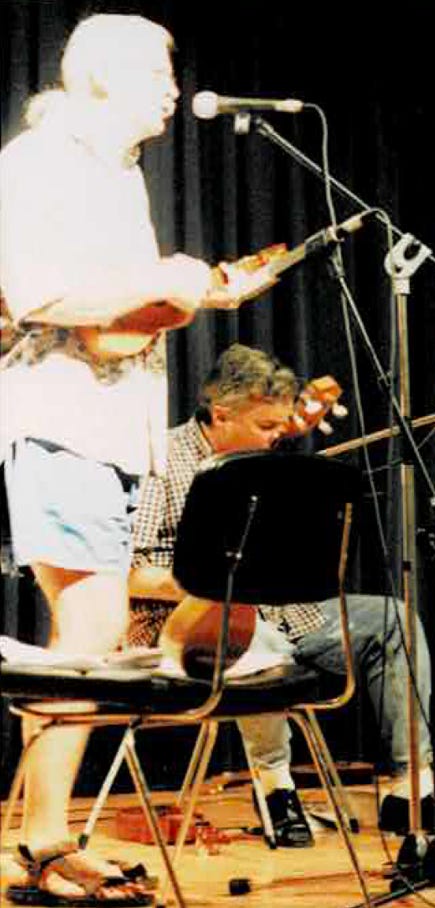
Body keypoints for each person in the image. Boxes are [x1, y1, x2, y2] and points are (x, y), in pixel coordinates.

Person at [0, 15, 273, 905]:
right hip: (57, 422)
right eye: (157, 69)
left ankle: (40, 841)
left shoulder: (118, 179)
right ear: (105, 77)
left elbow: (114, 336)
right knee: (86, 636)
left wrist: (198, 297)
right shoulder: (40, 162)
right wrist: (165, 281)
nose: (171, 86)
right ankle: (39, 848)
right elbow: (37, 294)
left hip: (108, 427)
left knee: (87, 640)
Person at [126, 344, 434, 842]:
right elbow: (135, 573)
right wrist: (217, 582)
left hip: (288, 616)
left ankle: (409, 788)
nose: (278, 438)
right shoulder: (162, 459)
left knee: (392, 620)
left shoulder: (263, 459)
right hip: (192, 627)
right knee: (251, 637)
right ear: (221, 415)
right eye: (267, 427)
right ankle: (276, 790)